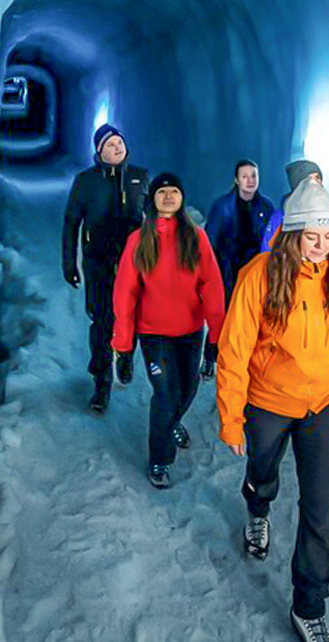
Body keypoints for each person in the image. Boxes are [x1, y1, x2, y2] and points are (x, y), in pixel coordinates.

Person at [217, 179, 329, 642]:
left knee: (322, 510)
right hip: (269, 401)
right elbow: (235, 347)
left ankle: (308, 605)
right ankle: (258, 507)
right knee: (262, 470)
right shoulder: (260, 275)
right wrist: (230, 414)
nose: (322, 247)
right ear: (292, 234)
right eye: (313, 237)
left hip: (326, 403)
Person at [111, 173, 226, 489]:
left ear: (182, 198)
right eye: (163, 192)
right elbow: (125, 294)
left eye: (175, 191)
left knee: (188, 390)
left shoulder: (196, 237)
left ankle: (172, 423)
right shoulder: (139, 240)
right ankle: (159, 459)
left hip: (189, 332)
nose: (169, 196)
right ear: (154, 199)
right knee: (165, 393)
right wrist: (123, 347)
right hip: (154, 334)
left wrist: (214, 339)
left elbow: (212, 287)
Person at [62, 123, 149, 413]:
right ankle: (101, 382)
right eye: (110, 144)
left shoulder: (139, 177)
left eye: (119, 142)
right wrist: (69, 262)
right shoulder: (86, 181)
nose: (117, 147)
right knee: (101, 322)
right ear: (99, 151)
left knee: (132, 316)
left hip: (133, 264)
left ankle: (125, 356)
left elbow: (155, 222)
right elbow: (72, 222)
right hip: (98, 261)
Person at [203, 159, 277, 372]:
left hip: (254, 270)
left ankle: (246, 360)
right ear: (236, 179)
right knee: (223, 315)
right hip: (227, 268)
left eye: (253, 175)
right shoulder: (222, 205)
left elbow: (271, 242)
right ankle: (211, 357)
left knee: (251, 316)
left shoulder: (266, 206)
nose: (250, 180)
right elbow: (210, 241)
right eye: (245, 176)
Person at [259, 159, 329, 254]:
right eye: (307, 179)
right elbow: (267, 252)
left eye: (317, 178)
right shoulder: (281, 216)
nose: (314, 183)